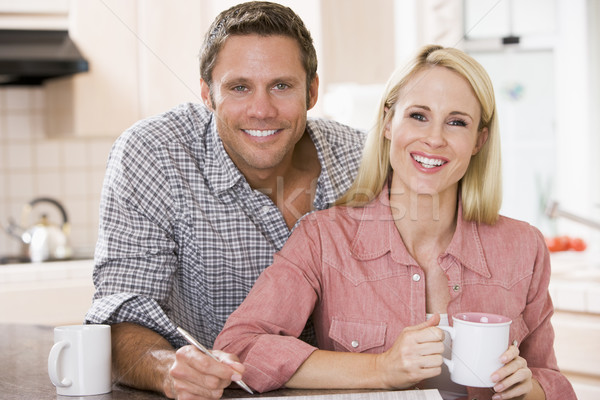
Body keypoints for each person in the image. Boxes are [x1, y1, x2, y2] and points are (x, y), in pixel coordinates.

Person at [214, 45, 577, 400]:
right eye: (418, 116)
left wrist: (530, 389)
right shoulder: (324, 238)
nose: (434, 138)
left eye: (457, 122)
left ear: (479, 140)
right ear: (389, 123)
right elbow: (238, 349)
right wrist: (382, 369)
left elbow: (551, 378)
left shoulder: (523, 247)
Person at [84, 2, 364, 399]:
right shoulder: (154, 155)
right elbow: (121, 312)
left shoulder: (363, 158)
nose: (261, 110)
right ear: (207, 93)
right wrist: (169, 371)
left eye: (281, 86)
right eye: (239, 87)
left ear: (312, 90)